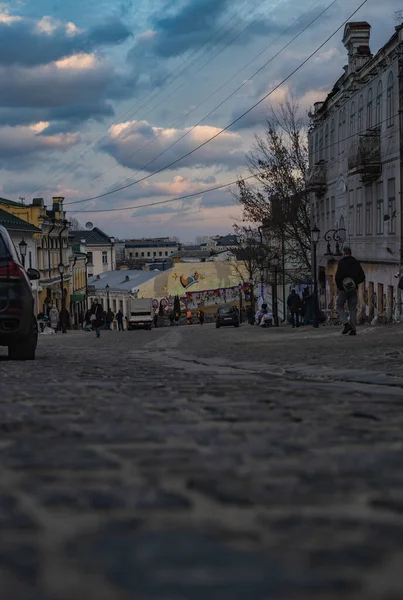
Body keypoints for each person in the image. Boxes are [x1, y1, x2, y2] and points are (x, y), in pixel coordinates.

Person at [335, 246, 365, 336]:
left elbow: (337, 277)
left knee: (339, 306)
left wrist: (340, 287)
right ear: (351, 253)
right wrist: (355, 283)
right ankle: (353, 329)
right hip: (353, 289)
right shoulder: (356, 263)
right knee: (352, 308)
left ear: (344, 253)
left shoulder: (341, 263)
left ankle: (346, 323)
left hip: (343, 289)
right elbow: (362, 277)